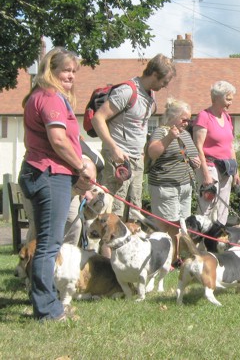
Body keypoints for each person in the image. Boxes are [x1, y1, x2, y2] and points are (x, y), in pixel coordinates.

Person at [19, 47, 95, 321]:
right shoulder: (50, 98)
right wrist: (80, 166)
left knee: (47, 244)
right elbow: (59, 140)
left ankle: (47, 301)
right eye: (66, 70)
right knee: (49, 246)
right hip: (49, 175)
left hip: (43, 172)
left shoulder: (40, 96)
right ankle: (48, 310)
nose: (71, 76)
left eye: (74, 71)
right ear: (50, 70)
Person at [91, 53, 176, 219]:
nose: (165, 86)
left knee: (135, 209)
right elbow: (98, 119)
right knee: (114, 209)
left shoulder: (150, 95)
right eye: (164, 82)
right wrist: (113, 148)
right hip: (118, 159)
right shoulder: (127, 91)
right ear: (154, 75)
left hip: (137, 160)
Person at [146, 98, 200, 225]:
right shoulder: (161, 131)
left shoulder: (185, 134)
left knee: (183, 226)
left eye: (189, 120)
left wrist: (196, 162)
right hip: (166, 188)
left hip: (185, 187)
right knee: (169, 227)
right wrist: (169, 137)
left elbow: (192, 155)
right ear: (173, 117)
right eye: (184, 120)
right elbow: (152, 152)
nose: (187, 123)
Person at [193, 81, 240, 225]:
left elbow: (230, 145)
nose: (230, 103)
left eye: (231, 99)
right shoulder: (204, 116)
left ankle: (219, 241)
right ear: (216, 98)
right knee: (208, 206)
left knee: (223, 207)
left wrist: (236, 171)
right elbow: (198, 146)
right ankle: (201, 244)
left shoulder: (227, 117)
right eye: (228, 99)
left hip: (226, 168)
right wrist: (206, 174)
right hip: (210, 166)